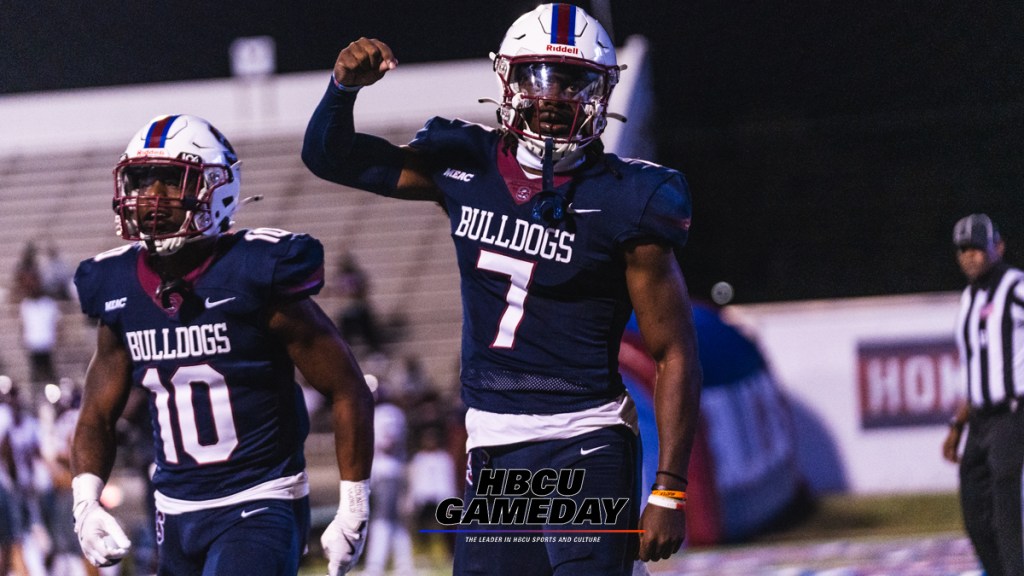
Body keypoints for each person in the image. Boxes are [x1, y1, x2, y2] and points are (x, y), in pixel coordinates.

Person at [302, 4, 703, 574]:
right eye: (538, 76)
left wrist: (669, 488)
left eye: (573, 81)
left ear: (603, 92)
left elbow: (673, 350)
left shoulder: (627, 197)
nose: (553, 96)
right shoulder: (467, 162)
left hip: (584, 437)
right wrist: (342, 89)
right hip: (493, 442)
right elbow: (329, 156)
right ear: (506, 79)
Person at [70, 114, 375, 576]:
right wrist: (84, 503)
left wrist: (353, 503)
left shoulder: (255, 270)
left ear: (217, 187)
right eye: (141, 179)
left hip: (259, 502)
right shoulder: (116, 284)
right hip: (173, 511)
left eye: (171, 180)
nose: (152, 195)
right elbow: (97, 412)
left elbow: (347, 387)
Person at [942, 213, 1024, 576]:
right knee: (975, 515)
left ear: (999, 247)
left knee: (1007, 513)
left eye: (977, 247)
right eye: (963, 249)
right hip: (979, 421)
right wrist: (957, 426)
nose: (969, 256)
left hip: (1012, 413)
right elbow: (974, 371)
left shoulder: (1016, 286)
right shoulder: (968, 299)